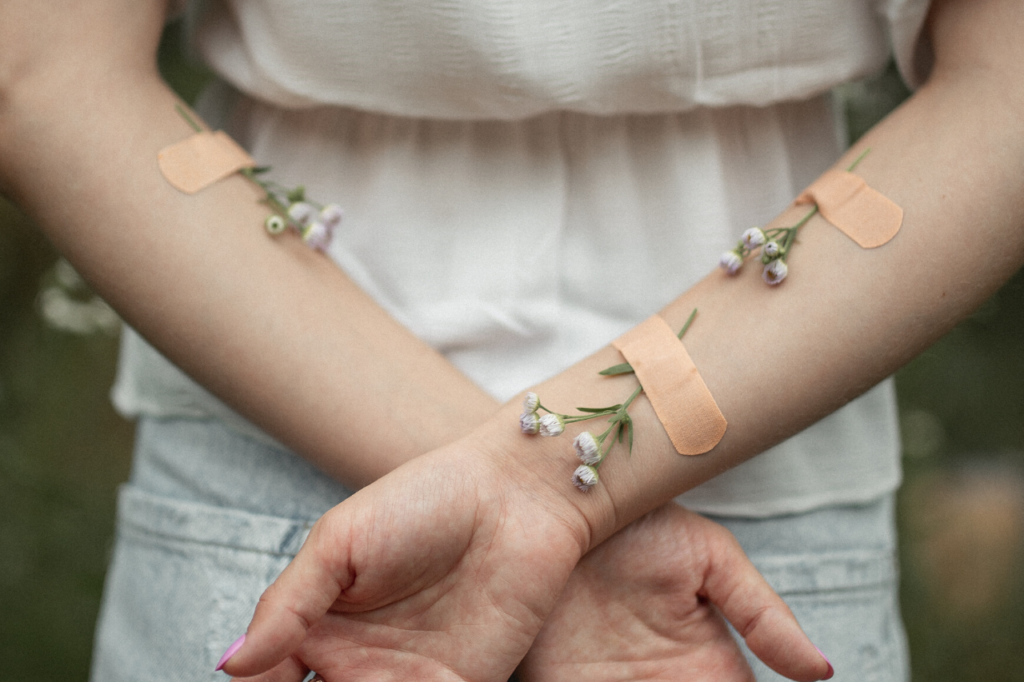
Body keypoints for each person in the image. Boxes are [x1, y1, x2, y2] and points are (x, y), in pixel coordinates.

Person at [3, 0, 1021, 679]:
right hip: (740, 543)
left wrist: (538, 495)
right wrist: (539, 498)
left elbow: (39, 64)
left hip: (286, 535)